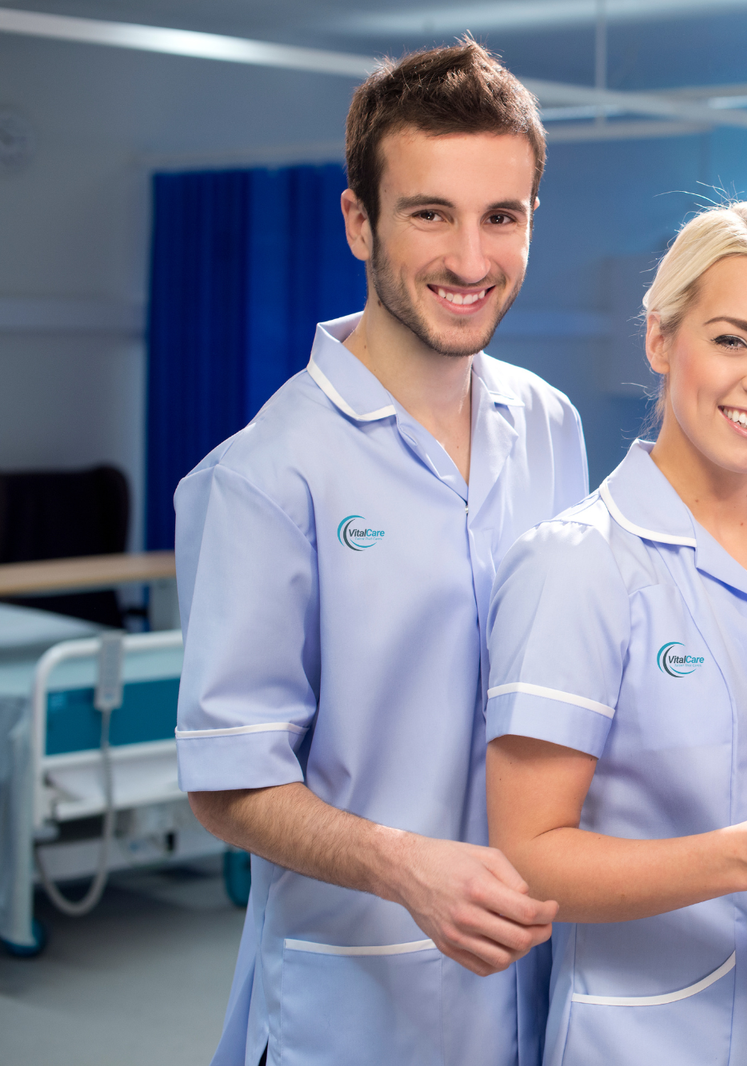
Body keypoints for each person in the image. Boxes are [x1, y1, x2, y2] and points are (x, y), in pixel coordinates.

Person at [175, 41, 588, 1066]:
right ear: (359, 219)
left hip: (534, 989)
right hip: (350, 1003)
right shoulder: (268, 475)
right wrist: (406, 865)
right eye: (429, 213)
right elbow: (228, 779)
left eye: (503, 217)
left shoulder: (551, 425)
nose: (470, 259)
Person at [485, 202, 747, 1066]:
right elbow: (527, 860)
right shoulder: (578, 567)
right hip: (650, 1036)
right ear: (660, 341)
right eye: (732, 339)